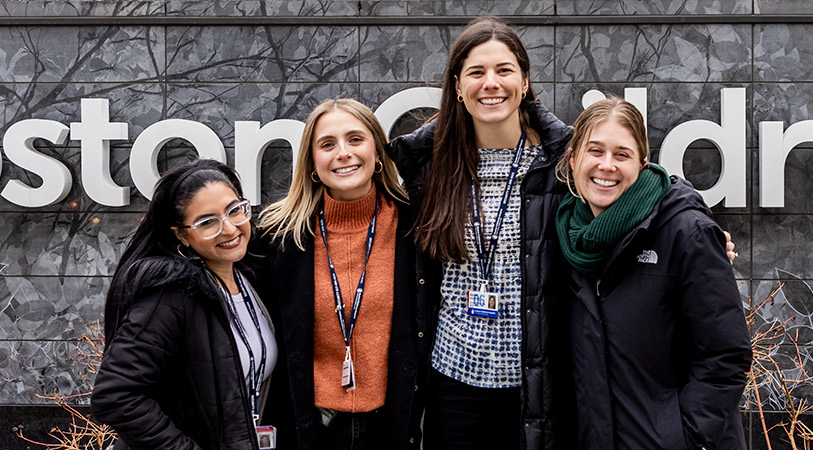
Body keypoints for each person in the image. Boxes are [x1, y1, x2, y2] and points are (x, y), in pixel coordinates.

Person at [387, 16, 576, 450]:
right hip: (453, 384)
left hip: (536, 385)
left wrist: (701, 234)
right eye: (476, 72)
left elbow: (638, 183)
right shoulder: (429, 167)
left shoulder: (561, 164)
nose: (491, 83)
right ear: (457, 86)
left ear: (524, 82)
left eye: (504, 70)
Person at [555, 97, 750, 450]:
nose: (606, 165)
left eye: (622, 154)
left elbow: (725, 355)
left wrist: (685, 437)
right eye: (595, 151)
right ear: (573, 160)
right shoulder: (564, 237)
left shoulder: (685, 231)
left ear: (643, 164)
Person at [258, 99, 438, 450]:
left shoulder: (417, 228)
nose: (343, 153)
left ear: (376, 152)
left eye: (356, 139)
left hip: (391, 425)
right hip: (310, 428)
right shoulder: (277, 236)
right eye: (327, 144)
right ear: (312, 162)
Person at [91, 159, 282, 450]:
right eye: (207, 222)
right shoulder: (171, 295)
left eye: (234, 210)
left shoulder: (250, 279)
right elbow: (116, 395)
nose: (229, 228)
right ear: (181, 235)